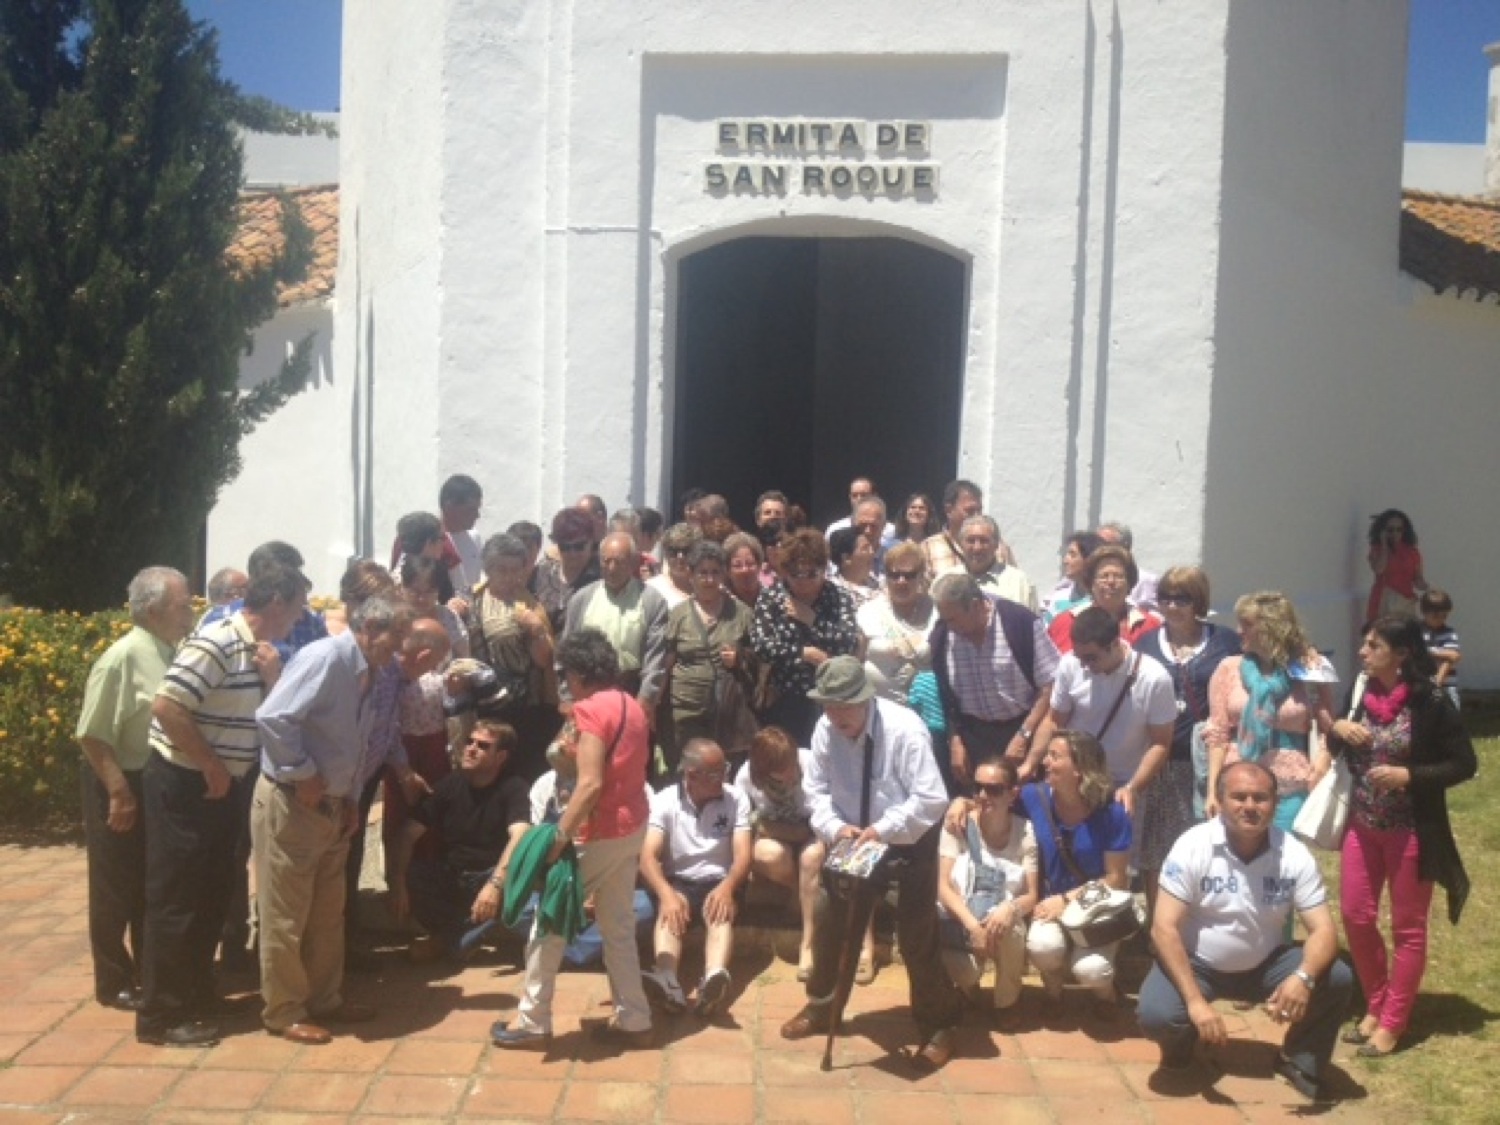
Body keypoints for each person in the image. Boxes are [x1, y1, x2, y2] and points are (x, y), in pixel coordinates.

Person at [136, 563, 306, 1048]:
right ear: (276, 603)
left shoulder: (255, 649)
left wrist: (272, 678)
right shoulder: (218, 641)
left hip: (219, 786)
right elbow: (168, 706)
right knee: (177, 899)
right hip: (186, 784)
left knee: (211, 893)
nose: (300, 617)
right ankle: (161, 1016)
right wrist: (210, 765)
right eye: (297, 607)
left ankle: (194, 995)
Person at [780, 657, 963, 1072]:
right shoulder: (826, 728)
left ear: (865, 699)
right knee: (830, 920)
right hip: (850, 840)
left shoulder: (905, 730)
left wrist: (883, 829)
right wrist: (834, 827)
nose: (836, 715)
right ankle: (822, 1006)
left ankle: (938, 1024)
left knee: (915, 936)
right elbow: (815, 790)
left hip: (906, 841)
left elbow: (932, 798)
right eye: (829, 705)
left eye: (844, 706)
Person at [1138, 760, 1355, 1101]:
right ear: (1220, 800)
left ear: (1275, 803)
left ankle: (1300, 1060)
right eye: (1239, 797)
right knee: (1157, 1015)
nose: (1250, 806)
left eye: (1261, 798)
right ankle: (1180, 1050)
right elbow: (1163, 929)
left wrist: (1304, 978)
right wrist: (1195, 1003)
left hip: (1266, 964)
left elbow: (1325, 930)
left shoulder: (1294, 854)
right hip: (1197, 964)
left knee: (1337, 977)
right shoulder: (1192, 845)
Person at [253, 595, 413, 1044]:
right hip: (293, 803)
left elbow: (356, 742)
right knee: (286, 914)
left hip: (332, 807)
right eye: (395, 639)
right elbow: (273, 717)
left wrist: (352, 799)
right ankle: (284, 1011)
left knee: (327, 913)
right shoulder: (325, 658)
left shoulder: (369, 670)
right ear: (370, 628)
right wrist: (303, 773)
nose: (398, 651)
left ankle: (325, 999)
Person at [492, 629, 655, 1049]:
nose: (565, 682)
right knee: (618, 926)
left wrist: (560, 837)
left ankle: (533, 1019)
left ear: (580, 674)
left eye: (566, 674)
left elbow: (590, 784)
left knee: (548, 923)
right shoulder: (632, 705)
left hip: (596, 830)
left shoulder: (590, 711)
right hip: (631, 826)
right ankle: (634, 1018)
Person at [1330, 616, 1475, 1059]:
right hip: (1362, 825)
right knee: (1355, 915)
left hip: (1412, 830)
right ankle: (1376, 1004)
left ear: (1402, 653)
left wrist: (1409, 775)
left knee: (1407, 928)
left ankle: (1393, 1021)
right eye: (1365, 643)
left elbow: (1464, 763)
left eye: (1373, 645)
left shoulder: (1431, 702)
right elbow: (1338, 748)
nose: (1363, 652)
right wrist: (1338, 729)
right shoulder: (1362, 690)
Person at [76, 567, 196, 1012]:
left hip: (156, 782)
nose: (190, 612)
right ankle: (113, 980)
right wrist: (119, 792)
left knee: (152, 882)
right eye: (182, 605)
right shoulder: (122, 658)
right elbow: (92, 734)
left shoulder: (172, 650)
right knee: (115, 886)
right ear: (152, 610)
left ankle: (151, 971)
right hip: (120, 781)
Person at [1132, 567, 1240, 909]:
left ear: (1198, 601)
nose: (1172, 605)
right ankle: (1159, 922)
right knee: (1157, 848)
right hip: (1161, 760)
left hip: (1208, 761)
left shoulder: (1224, 642)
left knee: (1207, 844)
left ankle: (1203, 916)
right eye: (1165, 597)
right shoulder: (1146, 644)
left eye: (1182, 598)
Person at [391, 721, 533, 964]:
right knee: (414, 876)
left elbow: (520, 836)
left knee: (522, 899)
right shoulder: (450, 785)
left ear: (500, 757)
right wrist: (396, 881)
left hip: (494, 876)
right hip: (455, 877)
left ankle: (449, 941)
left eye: (483, 746)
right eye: (469, 742)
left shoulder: (514, 788)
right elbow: (407, 833)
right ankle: (463, 935)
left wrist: (494, 885)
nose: (471, 749)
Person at [1019, 731, 1132, 1015]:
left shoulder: (1112, 813)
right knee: (1042, 948)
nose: (1045, 762)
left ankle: (1105, 996)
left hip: (1096, 904)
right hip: (1049, 903)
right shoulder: (1034, 796)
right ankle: (1053, 991)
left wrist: (1066, 900)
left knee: (1091, 969)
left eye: (1055, 756)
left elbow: (1116, 878)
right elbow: (993, 802)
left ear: (1080, 768)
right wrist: (963, 804)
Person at [1204, 592, 1338, 831]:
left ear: (1271, 628)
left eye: (1247, 624)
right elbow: (1217, 734)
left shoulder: (1308, 669)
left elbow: (1328, 727)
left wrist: (1322, 761)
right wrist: (1213, 790)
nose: (1238, 631)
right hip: (1239, 784)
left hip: (1291, 785)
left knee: (1285, 849)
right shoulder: (1229, 668)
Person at [639, 739, 752, 1017]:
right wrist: (666, 895)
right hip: (679, 880)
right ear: (691, 775)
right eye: (715, 774)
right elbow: (647, 856)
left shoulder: (736, 798)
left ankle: (714, 977)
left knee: (719, 912)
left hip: (720, 879)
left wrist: (728, 887)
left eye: (725, 769)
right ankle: (667, 980)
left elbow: (743, 855)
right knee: (671, 910)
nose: (724, 777)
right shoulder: (665, 800)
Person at [1033, 607, 1175, 824]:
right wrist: (1030, 763)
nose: (1084, 665)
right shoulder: (1070, 665)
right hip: (1075, 778)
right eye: (1080, 657)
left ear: (1115, 644)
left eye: (1091, 658)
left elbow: (1161, 743)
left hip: (1123, 782)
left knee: (1120, 844)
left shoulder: (1154, 678)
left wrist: (1133, 788)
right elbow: (1054, 721)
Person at [929, 572, 1058, 792]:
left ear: (975, 605)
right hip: (974, 738)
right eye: (944, 619)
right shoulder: (942, 636)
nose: (948, 626)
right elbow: (947, 698)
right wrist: (955, 741)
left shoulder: (1019, 623)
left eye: (953, 619)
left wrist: (1024, 734)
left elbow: (1049, 685)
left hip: (1022, 729)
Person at [936, 758, 1039, 1029]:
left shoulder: (1025, 832)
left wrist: (1010, 909)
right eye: (977, 787)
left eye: (993, 789)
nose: (983, 795)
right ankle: (968, 988)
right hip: (961, 916)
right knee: (966, 972)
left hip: (999, 917)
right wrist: (972, 926)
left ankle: (1007, 1001)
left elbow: (1031, 895)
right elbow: (942, 886)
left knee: (1012, 928)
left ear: (1012, 794)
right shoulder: (957, 824)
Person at [749, 528, 862, 745]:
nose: (803, 581)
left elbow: (849, 641)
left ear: (824, 569)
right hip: (786, 699)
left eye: (811, 574)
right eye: (795, 574)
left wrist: (813, 620)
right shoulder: (772, 597)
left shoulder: (838, 597)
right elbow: (761, 645)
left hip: (832, 696)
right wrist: (803, 654)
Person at [735, 726, 827, 982]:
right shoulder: (745, 777)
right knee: (767, 854)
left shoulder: (813, 763)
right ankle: (801, 894)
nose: (789, 774)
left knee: (811, 857)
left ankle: (808, 944)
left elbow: (825, 817)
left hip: (813, 835)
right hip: (779, 839)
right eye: (780, 770)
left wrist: (782, 829)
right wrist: (778, 830)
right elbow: (745, 826)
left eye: (790, 765)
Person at [467, 533, 558, 779]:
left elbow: (544, 661)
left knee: (522, 769)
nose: (510, 577)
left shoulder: (530, 604)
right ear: (488, 569)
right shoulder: (473, 600)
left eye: (515, 570)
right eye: (502, 570)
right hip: (485, 702)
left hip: (524, 706)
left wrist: (537, 630)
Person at [560, 531, 670, 729]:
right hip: (588, 692)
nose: (611, 568)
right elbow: (566, 652)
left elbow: (655, 657)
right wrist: (567, 696)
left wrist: (645, 700)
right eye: (606, 561)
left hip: (631, 690)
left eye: (619, 562)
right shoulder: (582, 599)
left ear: (633, 562)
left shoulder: (652, 600)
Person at [661, 540, 754, 776]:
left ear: (723, 575)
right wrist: (656, 707)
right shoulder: (678, 615)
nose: (709, 579)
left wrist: (740, 659)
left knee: (724, 772)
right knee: (689, 772)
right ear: (691, 575)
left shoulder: (741, 613)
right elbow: (666, 664)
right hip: (687, 711)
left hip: (727, 713)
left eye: (715, 572)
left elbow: (760, 659)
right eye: (703, 572)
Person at [857, 541, 939, 707]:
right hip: (880, 709)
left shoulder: (937, 611)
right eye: (894, 575)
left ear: (921, 575)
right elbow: (856, 662)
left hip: (929, 709)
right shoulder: (868, 612)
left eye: (909, 575)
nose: (901, 581)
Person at [1046, 544, 1161, 655]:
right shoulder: (1065, 623)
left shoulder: (1150, 625)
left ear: (1129, 583)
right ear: (1091, 583)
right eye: (1104, 576)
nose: (1111, 582)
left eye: (1118, 576)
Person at [533, 508, 601, 634]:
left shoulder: (601, 578)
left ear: (591, 542)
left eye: (579, 546)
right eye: (565, 547)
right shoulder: (541, 573)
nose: (572, 553)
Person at [955, 514, 1037, 611]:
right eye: (971, 541)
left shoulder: (1019, 582)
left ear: (996, 544)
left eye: (984, 541)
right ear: (961, 544)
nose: (977, 548)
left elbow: (1032, 619)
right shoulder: (948, 579)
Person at [400, 554, 468, 661]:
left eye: (429, 592)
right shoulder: (393, 622)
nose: (422, 599)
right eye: (415, 592)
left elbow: (465, 659)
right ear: (402, 588)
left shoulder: (449, 618)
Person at [1366, 509, 1425, 624]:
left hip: (1405, 601)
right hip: (1384, 602)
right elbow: (1379, 569)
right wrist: (1384, 545)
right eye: (1390, 530)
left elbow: (1418, 577)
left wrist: (1425, 586)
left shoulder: (1412, 552)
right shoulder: (1377, 550)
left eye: (1399, 529)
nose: (1395, 533)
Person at [1041, 530, 1103, 624]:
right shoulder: (1057, 599)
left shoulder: (1104, 600)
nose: (1065, 561)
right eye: (1067, 554)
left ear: (1090, 559)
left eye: (1072, 555)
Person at [1096, 521, 1160, 613]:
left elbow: (1154, 616)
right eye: (1096, 544)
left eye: (1105, 544)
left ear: (1124, 547)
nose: (1099, 549)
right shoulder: (1090, 576)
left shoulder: (1146, 580)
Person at [439, 473, 485, 591]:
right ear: (449, 506)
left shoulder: (475, 537)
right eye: (471, 509)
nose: (477, 515)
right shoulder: (430, 541)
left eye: (477, 509)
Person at [1419, 588, 1461, 709]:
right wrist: (1440, 653)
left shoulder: (1449, 633)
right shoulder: (1416, 631)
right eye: (1436, 615)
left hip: (1447, 685)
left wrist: (1437, 682)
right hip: (1421, 683)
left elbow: (1452, 657)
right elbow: (1413, 651)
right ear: (1424, 612)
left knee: (1451, 712)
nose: (1441, 619)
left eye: (1444, 615)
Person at [646, 521, 703, 610]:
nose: (680, 557)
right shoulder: (652, 588)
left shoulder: (710, 587)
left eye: (686, 550)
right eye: (673, 551)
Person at [828, 526, 879, 609]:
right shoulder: (835, 593)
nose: (872, 552)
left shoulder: (878, 582)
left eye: (871, 547)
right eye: (865, 548)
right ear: (846, 558)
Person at [723, 531, 766, 609]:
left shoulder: (774, 599)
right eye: (737, 565)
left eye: (750, 563)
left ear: (759, 565)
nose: (745, 570)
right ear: (727, 570)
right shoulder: (721, 604)